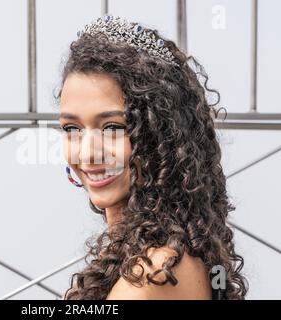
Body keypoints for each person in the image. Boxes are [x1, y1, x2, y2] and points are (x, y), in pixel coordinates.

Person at [55, 15, 248, 300]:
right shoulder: (154, 254)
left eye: (113, 128)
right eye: (72, 128)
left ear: (163, 133)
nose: (86, 153)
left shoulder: (156, 273)